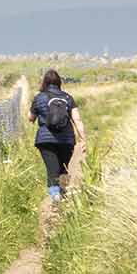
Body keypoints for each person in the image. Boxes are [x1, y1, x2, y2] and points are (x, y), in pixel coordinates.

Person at [30, 69, 87, 201]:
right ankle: (64, 194)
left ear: (45, 82)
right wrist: (83, 139)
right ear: (59, 82)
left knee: (52, 169)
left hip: (45, 139)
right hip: (66, 139)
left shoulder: (39, 97)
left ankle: (55, 198)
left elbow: (30, 118)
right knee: (63, 169)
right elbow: (77, 120)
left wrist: (37, 113)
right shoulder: (67, 97)